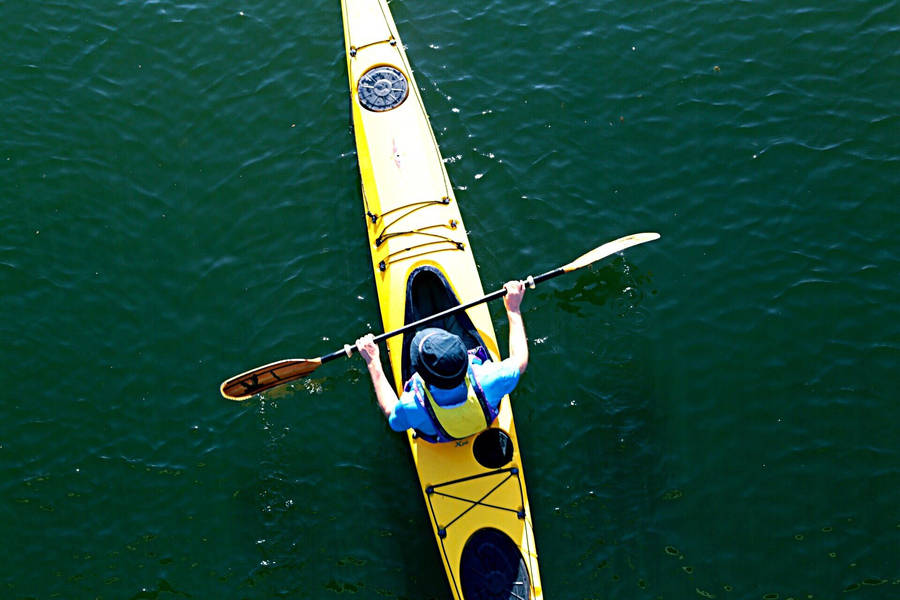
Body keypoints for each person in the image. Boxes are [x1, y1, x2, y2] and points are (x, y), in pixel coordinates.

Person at [356, 280, 528, 442]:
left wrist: (373, 361)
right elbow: (520, 361)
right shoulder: (493, 378)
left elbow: (391, 413)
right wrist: (513, 309)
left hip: (440, 437)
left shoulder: (411, 405)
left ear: (419, 371)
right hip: (484, 420)